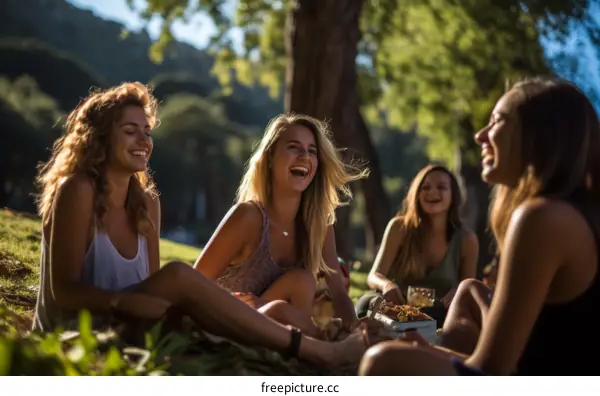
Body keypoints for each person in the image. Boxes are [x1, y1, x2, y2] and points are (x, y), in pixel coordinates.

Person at [31, 82, 379, 368]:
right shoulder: (77, 190)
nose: (144, 141)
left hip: (134, 323)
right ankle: (320, 352)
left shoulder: (147, 202)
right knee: (182, 276)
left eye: (147, 132)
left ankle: (336, 353)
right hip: (79, 329)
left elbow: (151, 286)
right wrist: (123, 303)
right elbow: (64, 291)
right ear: (100, 137)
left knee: (280, 301)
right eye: (130, 131)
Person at [359, 77, 600, 375]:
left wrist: (419, 349)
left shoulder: (541, 218)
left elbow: (491, 369)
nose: (479, 135)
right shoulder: (567, 211)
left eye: (497, 121)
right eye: (426, 188)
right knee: (470, 289)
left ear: (539, 134)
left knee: (381, 361)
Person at [193, 113, 368, 339]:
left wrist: (355, 329)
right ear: (270, 158)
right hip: (227, 326)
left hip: (281, 335)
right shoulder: (248, 217)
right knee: (297, 288)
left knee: (302, 283)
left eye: (312, 151)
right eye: (294, 147)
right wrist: (256, 307)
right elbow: (193, 282)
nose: (304, 156)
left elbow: (338, 292)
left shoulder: (318, 224)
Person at [355, 164, 479, 324]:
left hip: (441, 311)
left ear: (453, 196)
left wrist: (457, 292)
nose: (432, 192)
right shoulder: (399, 227)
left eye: (441, 187)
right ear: (417, 193)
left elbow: (469, 287)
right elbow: (374, 276)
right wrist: (387, 286)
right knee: (367, 302)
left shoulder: (467, 240)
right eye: (425, 187)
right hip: (398, 307)